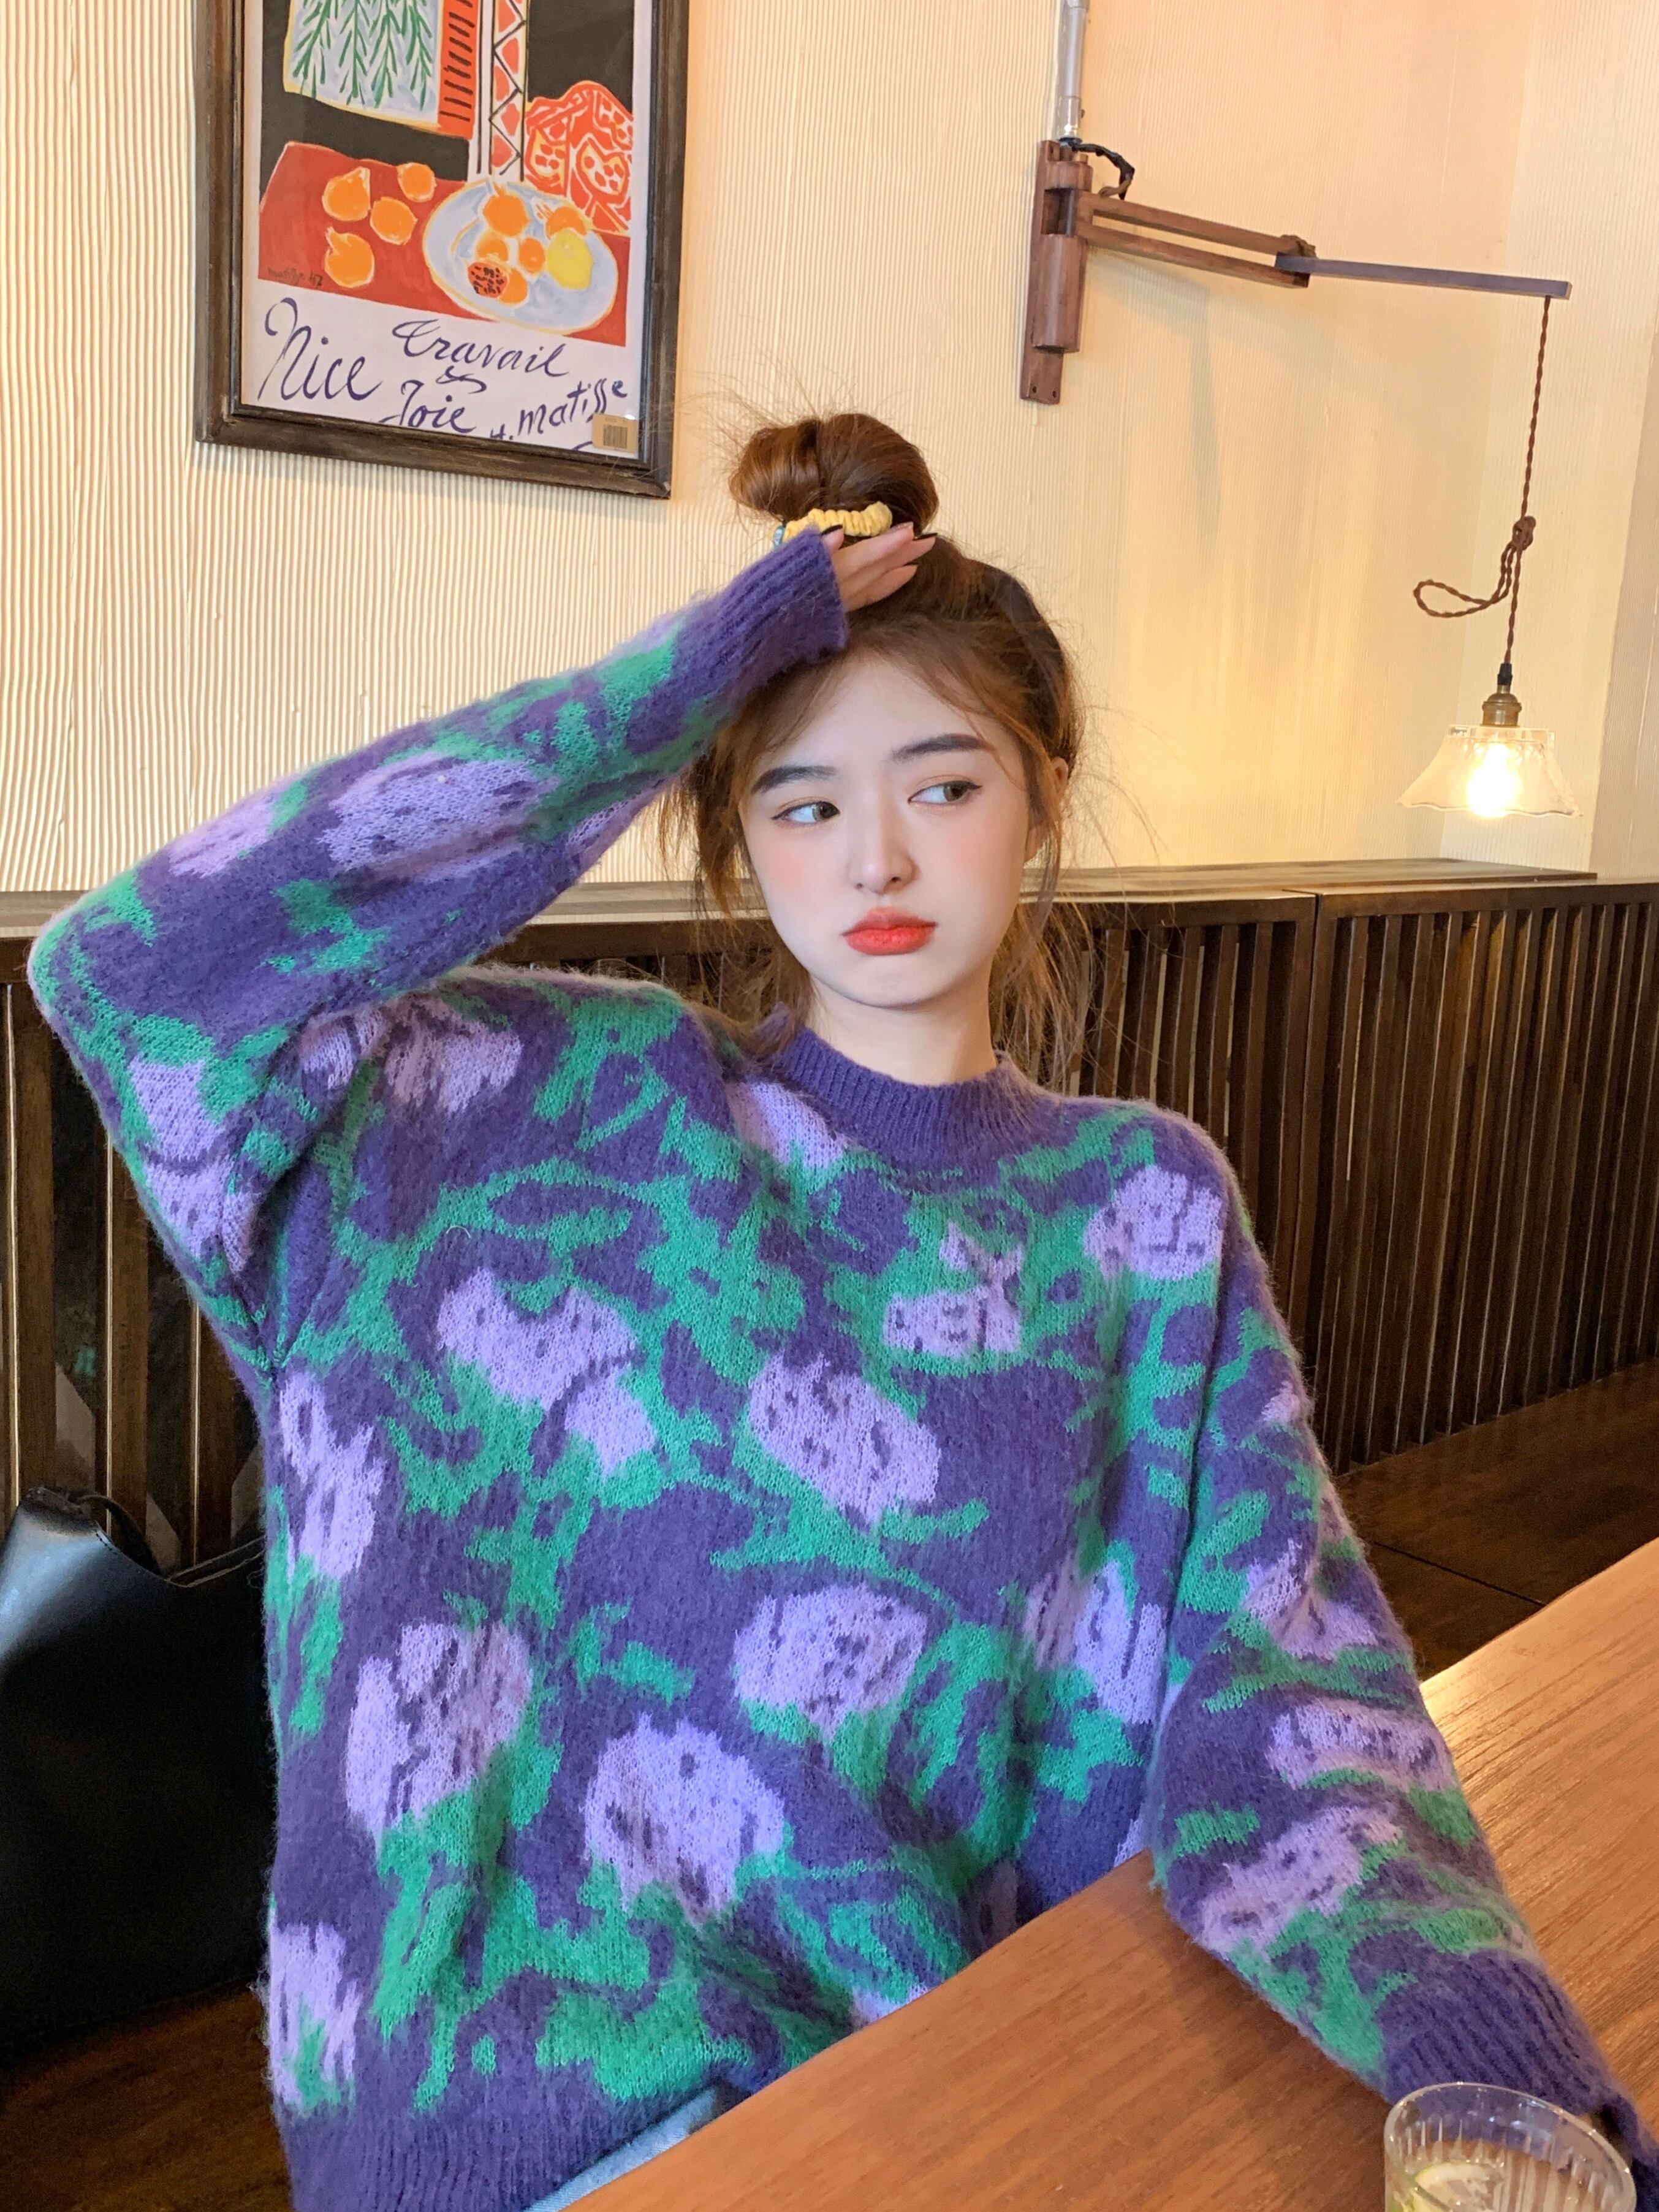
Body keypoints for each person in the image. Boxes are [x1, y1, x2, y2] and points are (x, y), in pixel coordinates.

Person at [29, 411, 1655, 2212]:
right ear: (733, 833)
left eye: (941, 786)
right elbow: (136, 978)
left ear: (1043, 796)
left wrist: (1492, 2060)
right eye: (803, 801)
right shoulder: (528, 1110)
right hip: (514, 2146)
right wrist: (676, 686)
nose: (875, 856)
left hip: (933, 2111)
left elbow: (1290, 1692)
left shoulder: (1141, 1212)